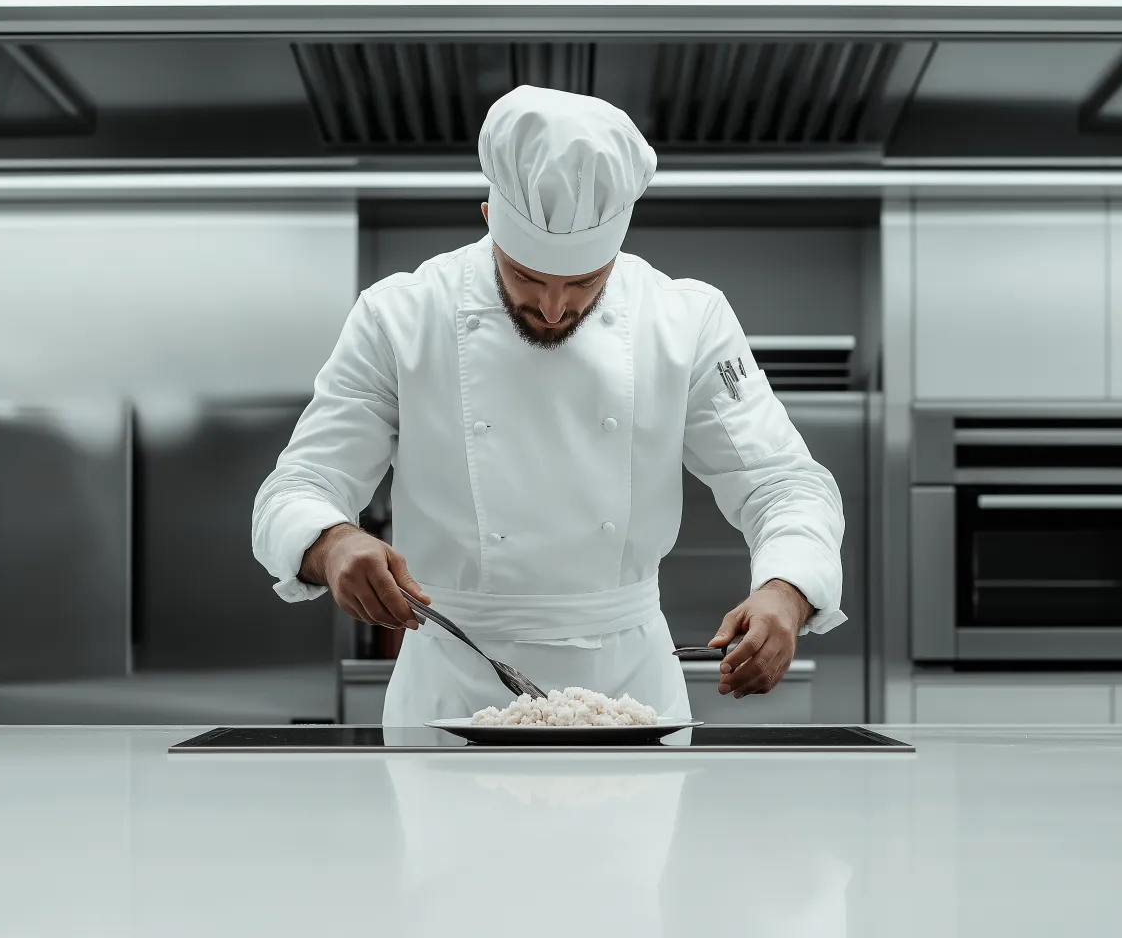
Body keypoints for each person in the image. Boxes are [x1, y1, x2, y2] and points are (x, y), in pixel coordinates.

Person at [252, 84, 845, 726]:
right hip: (453, 680)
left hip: (631, 687)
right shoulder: (400, 315)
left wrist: (786, 591)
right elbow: (297, 487)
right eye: (528, 277)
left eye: (585, 282)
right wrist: (334, 542)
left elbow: (784, 485)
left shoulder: (687, 319)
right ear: (488, 218)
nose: (555, 309)